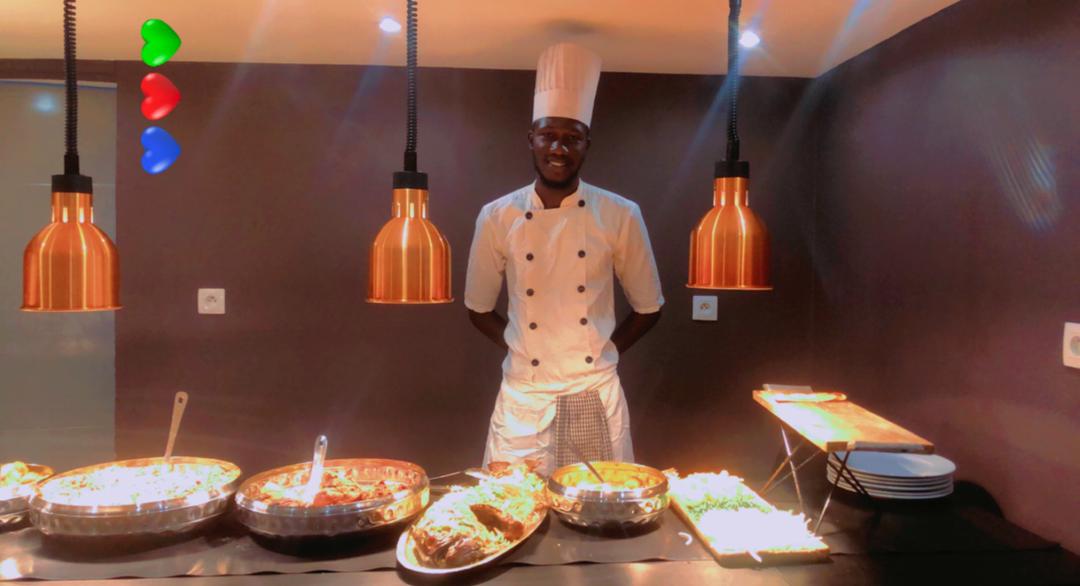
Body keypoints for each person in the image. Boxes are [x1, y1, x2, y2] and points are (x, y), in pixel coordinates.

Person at [464, 42, 664, 475]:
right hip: (524, 397)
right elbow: (477, 308)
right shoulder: (497, 216)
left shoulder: (620, 213)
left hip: (591, 390)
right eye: (548, 135)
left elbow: (649, 308)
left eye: (572, 138)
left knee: (596, 503)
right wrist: (523, 345)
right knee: (511, 504)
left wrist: (601, 349)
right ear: (531, 139)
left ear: (587, 144)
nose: (559, 148)